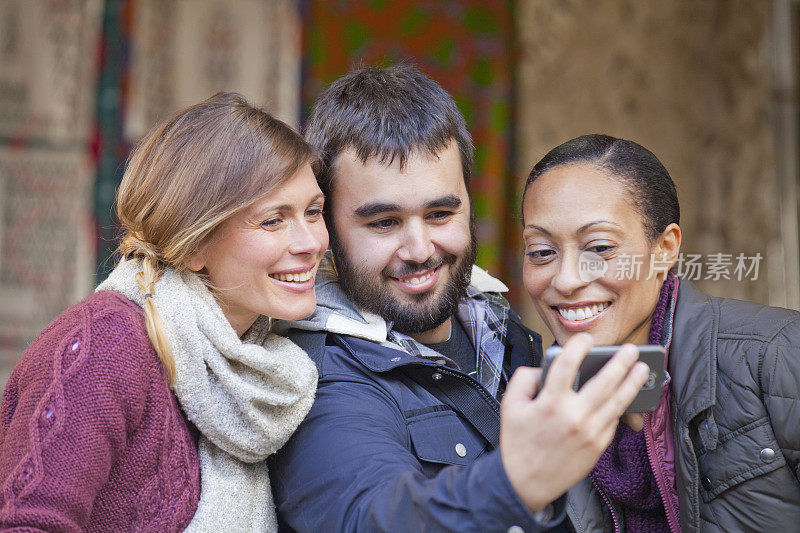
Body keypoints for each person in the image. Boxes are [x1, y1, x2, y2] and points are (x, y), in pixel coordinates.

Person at [269, 64, 650, 532]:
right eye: (383, 222)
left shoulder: (501, 328)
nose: (420, 250)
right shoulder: (315, 377)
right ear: (328, 227)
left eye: (440, 213)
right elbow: (369, 517)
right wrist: (516, 481)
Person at [0, 92, 328, 532]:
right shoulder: (105, 346)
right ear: (194, 244)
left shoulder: (268, 368)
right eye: (273, 220)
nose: (309, 243)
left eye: (313, 211)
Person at [520, 133, 800, 532]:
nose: (566, 280)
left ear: (665, 249)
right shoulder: (542, 404)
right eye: (542, 252)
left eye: (599, 248)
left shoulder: (777, 355)